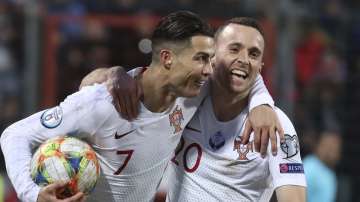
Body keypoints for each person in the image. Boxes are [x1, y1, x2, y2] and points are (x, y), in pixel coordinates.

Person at [0, 11, 277, 202]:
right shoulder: (102, 103)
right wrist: (32, 194)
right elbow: (14, 134)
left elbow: (239, 72)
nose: (209, 70)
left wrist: (262, 103)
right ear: (167, 58)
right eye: (202, 59)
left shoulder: (192, 92)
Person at [303, 131, 342, 202]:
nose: (332, 151)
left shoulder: (329, 172)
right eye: (329, 146)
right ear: (318, 145)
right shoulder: (309, 167)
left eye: (336, 148)